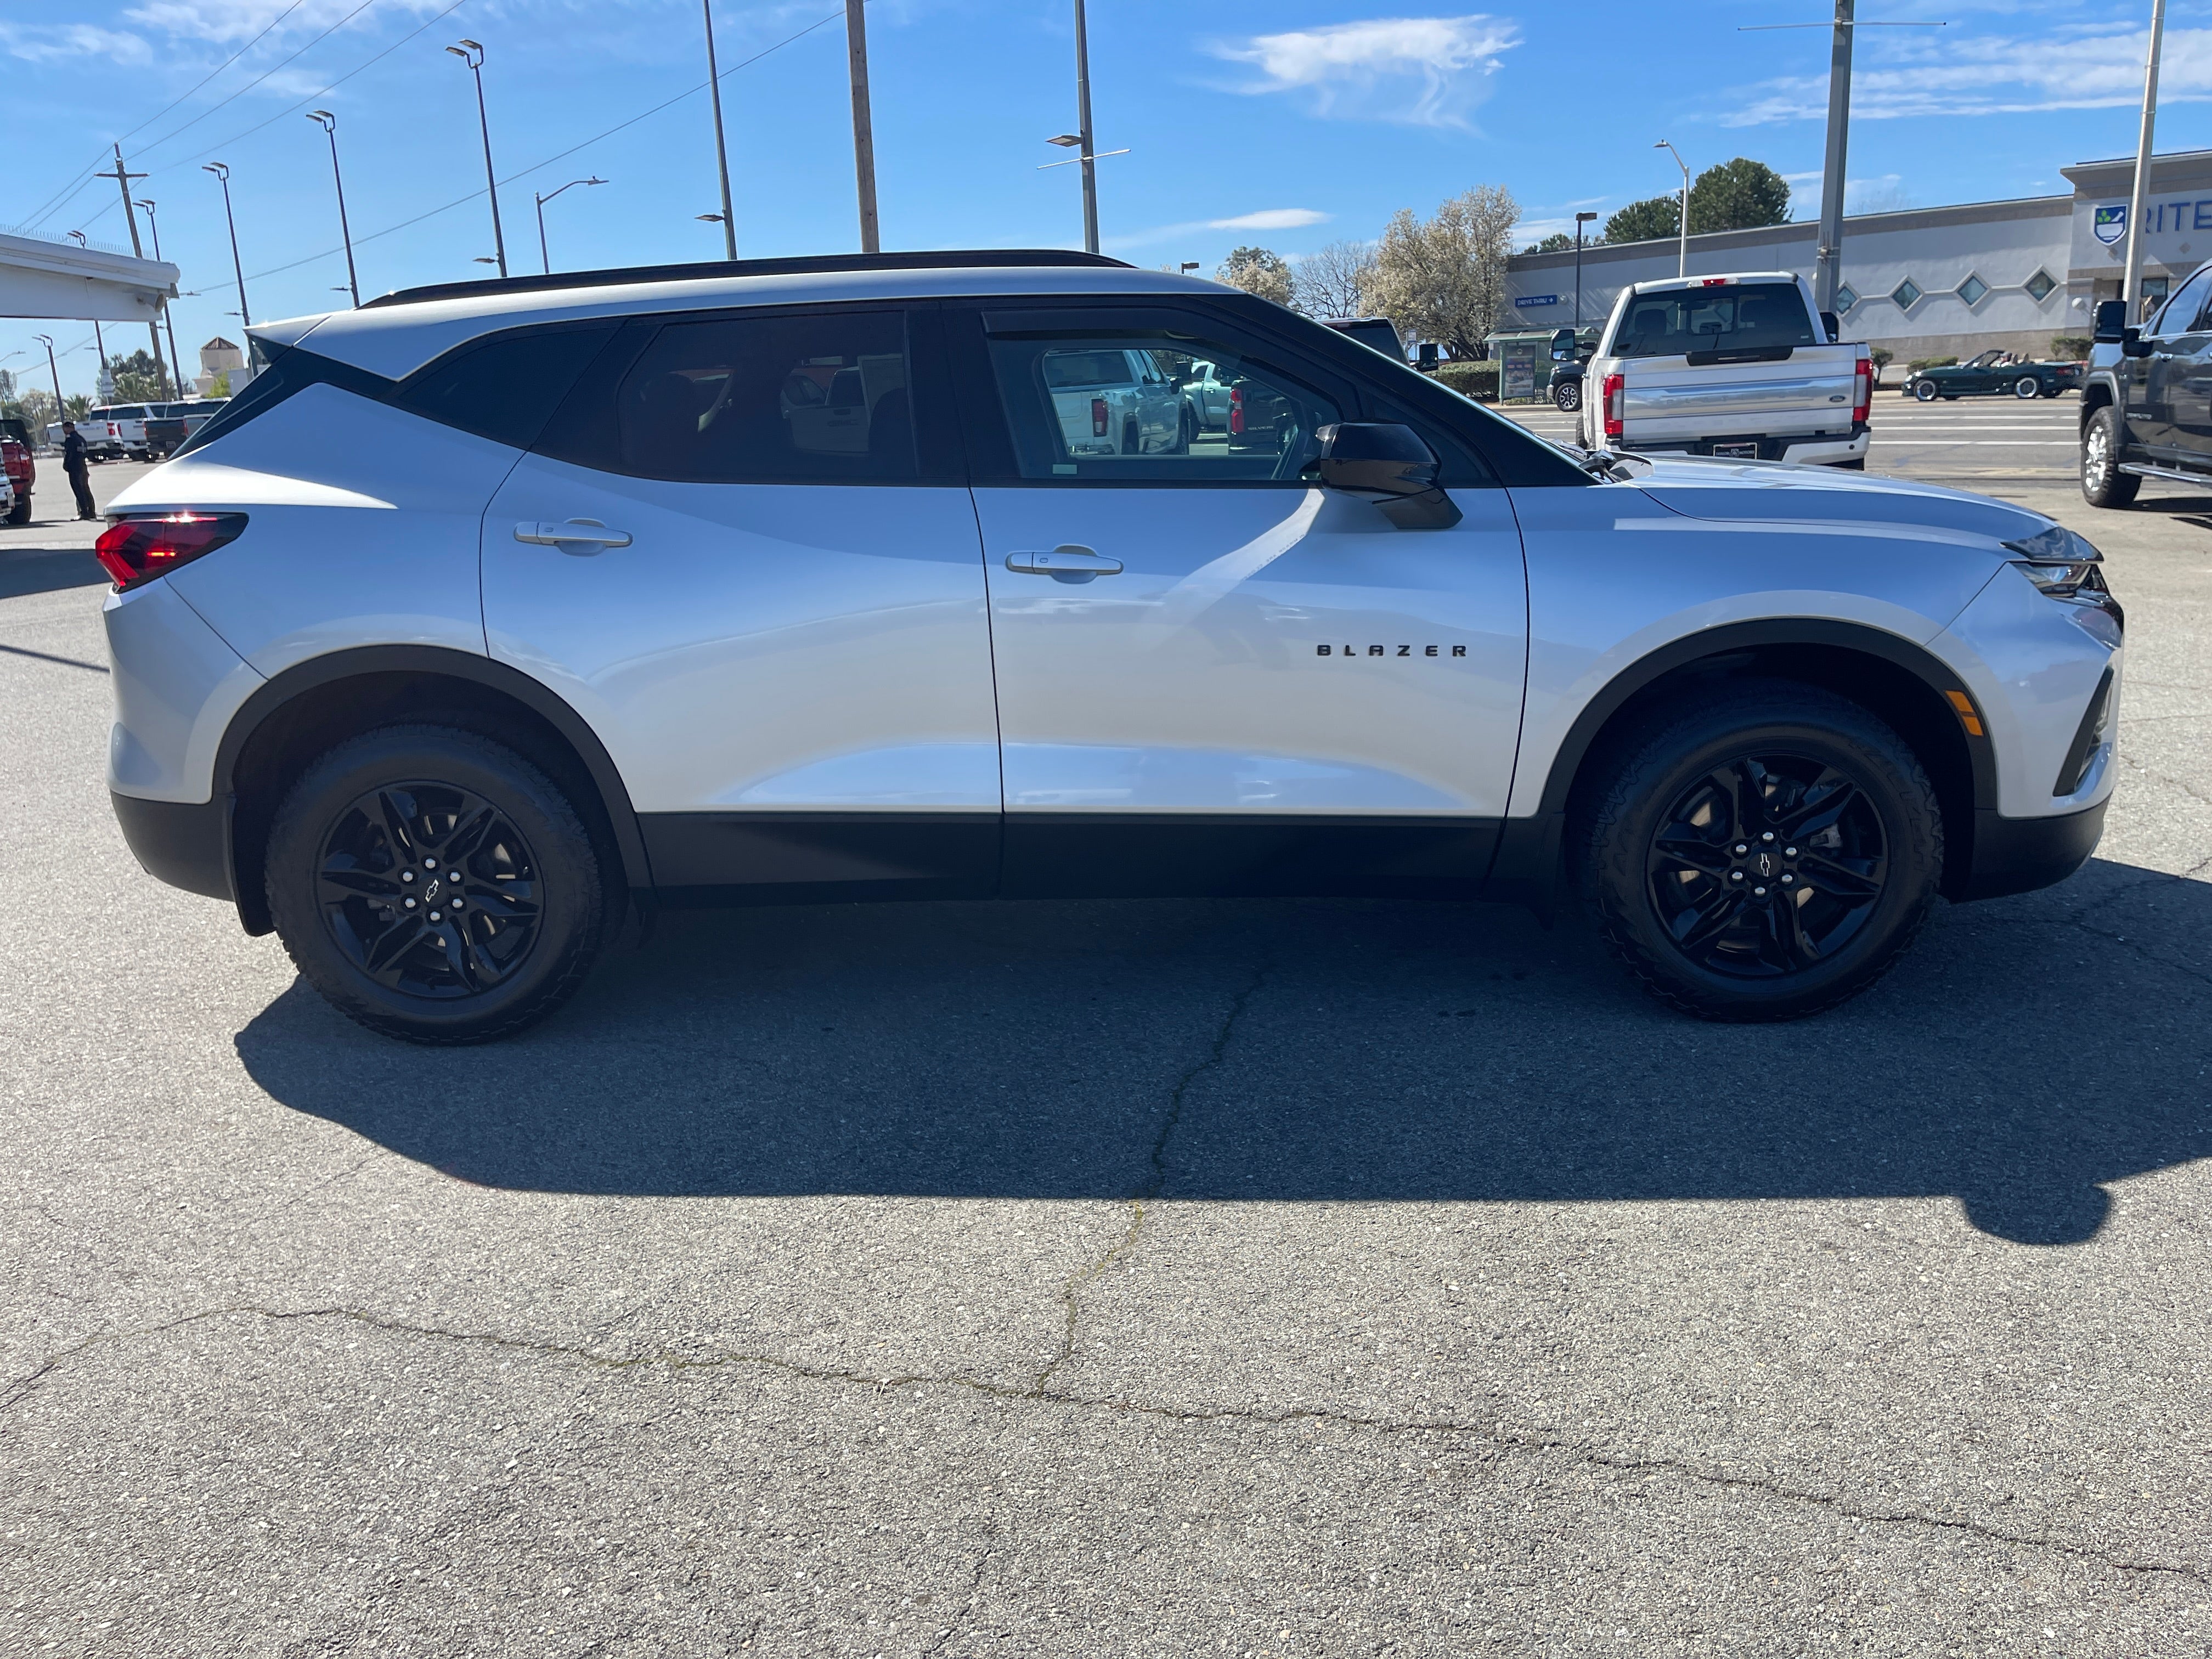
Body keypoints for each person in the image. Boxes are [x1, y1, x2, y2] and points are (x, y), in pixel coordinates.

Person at [61, 420, 95, 521]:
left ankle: (84, 513)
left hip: (75, 468)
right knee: (86, 490)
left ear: (69, 428)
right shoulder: (81, 439)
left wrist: (66, 465)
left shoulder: (70, 440)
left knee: (79, 491)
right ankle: (91, 512)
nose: (64, 430)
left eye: (65, 428)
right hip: (83, 466)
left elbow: (69, 454)